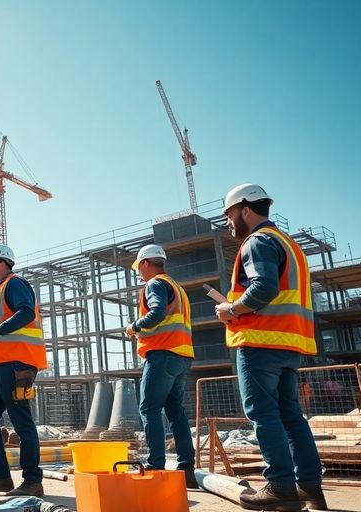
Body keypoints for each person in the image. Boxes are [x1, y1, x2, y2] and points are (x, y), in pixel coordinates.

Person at [214, 184, 326, 511]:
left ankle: (279, 486)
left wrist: (230, 309)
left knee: (264, 414)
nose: (229, 223)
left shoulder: (258, 241)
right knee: (291, 416)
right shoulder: (289, 245)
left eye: (229, 215)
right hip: (290, 345)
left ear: (245, 209)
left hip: (261, 342)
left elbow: (264, 287)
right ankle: (309, 488)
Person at [0, 244, 47, 497]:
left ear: (2, 262)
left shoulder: (15, 284)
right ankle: (1, 477)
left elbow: (25, 313)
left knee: (21, 422)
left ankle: (32, 480)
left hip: (17, 364)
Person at [124, 244, 197, 489]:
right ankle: (187, 469)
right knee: (176, 413)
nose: (139, 273)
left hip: (163, 354)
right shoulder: (177, 287)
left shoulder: (155, 284)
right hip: (182, 356)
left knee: (149, 409)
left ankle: (155, 464)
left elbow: (157, 312)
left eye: (139, 268)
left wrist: (134, 326)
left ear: (145, 263)